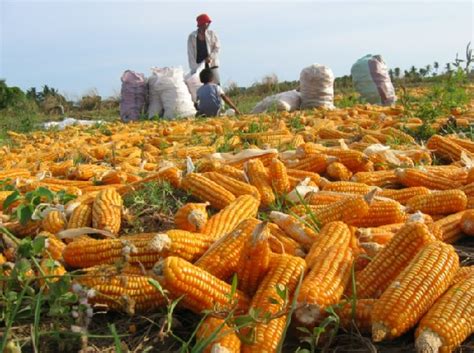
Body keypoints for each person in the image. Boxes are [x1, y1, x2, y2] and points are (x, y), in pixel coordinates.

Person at [187, 13, 221, 84]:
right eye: (207, 22)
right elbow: (190, 53)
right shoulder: (192, 37)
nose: (208, 24)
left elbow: (217, 48)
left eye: (209, 22)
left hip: (212, 64)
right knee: (200, 85)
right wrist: (194, 68)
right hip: (198, 66)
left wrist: (210, 57)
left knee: (216, 84)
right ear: (201, 24)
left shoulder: (212, 34)